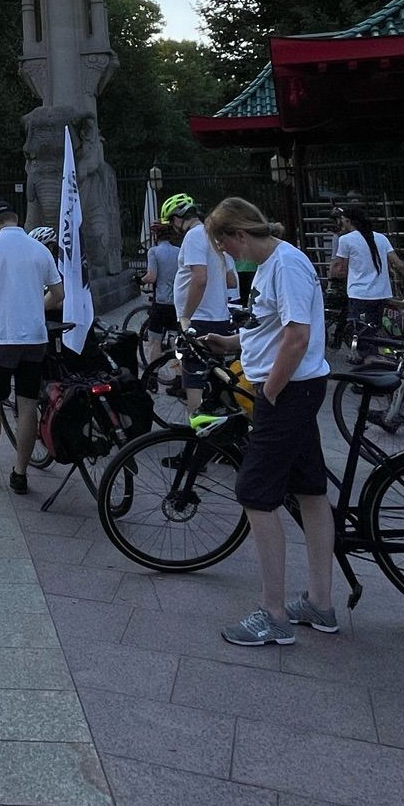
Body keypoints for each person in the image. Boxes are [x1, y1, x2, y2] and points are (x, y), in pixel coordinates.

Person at [198, 197, 334, 647]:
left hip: (288, 391)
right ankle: (319, 601)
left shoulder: (286, 265)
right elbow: (270, 325)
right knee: (309, 490)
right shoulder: (275, 265)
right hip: (293, 389)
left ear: (239, 234)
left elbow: (297, 337)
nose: (227, 254)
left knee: (256, 494)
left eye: (224, 245)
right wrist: (232, 341)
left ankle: (273, 614)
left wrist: (271, 390)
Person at [0, 201, 64, 494]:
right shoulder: (40, 249)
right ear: (16, 220)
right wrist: (38, 306)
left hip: (1, 337)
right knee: (27, 404)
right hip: (35, 339)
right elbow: (58, 293)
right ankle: (20, 473)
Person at [168, 194, 237, 414]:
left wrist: (186, 315)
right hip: (217, 317)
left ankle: (198, 440)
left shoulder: (194, 236)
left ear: (179, 218)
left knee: (194, 384)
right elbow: (230, 279)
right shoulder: (211, 236)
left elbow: (199, 278)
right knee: (216, 379)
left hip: (200, 319)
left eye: (172, 221)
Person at [328, 201, 404, 342]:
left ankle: (369, 358)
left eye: (343, 221)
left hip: (360, 294)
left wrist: (334, 278)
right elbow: (399, 264)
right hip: (382, 294)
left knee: (361, 333)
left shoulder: (345, 240)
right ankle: (375, 354)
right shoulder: (381, 238)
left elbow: (339, 268)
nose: (341, 224)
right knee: (374, 329)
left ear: (349, 221)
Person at [140, 221, 181, 367]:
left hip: (161, 302)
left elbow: (151, 276)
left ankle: (153, 377)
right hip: (176, 302)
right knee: (175, 342)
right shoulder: (179, 251)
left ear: (156, 236)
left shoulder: (153, 251)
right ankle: (178, 379)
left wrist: (139, 280)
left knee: (154, 341)